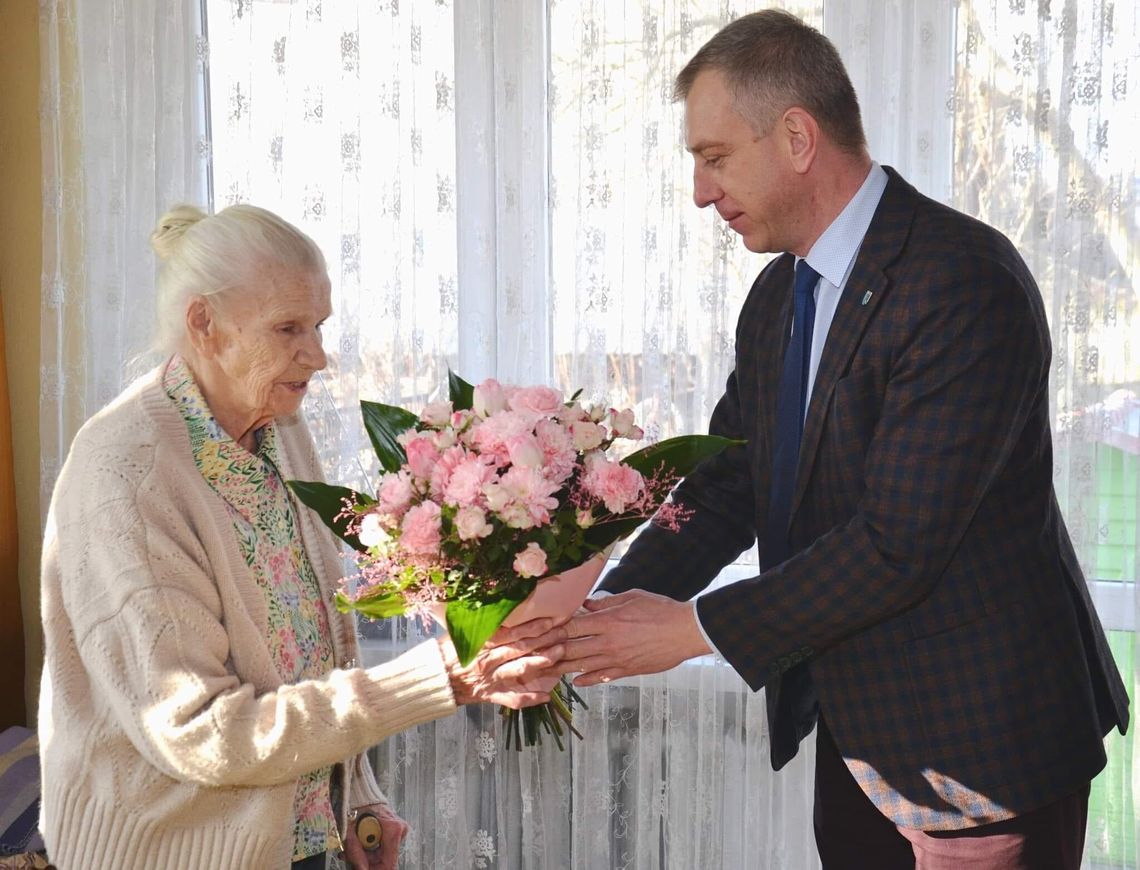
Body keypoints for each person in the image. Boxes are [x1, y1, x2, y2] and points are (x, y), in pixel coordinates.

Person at [557, 10, 1129, 869]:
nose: (701, 191)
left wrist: (688, 630)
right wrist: (589, 621)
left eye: (714, 158)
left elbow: (898, 543)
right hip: (861, 740)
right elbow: (726, 491)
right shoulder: (776, 299)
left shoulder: (962, 281)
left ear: (796, 136)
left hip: (984, 750)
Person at [37, 204, 567, 870]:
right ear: (205, 324)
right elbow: (201, 732)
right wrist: (440, 677)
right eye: (288, 328)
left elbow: (313, 646)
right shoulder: (129, 471)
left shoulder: (278, 427)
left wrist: (354, 803)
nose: (317, 356)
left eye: (318, 326)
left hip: (298, 843)